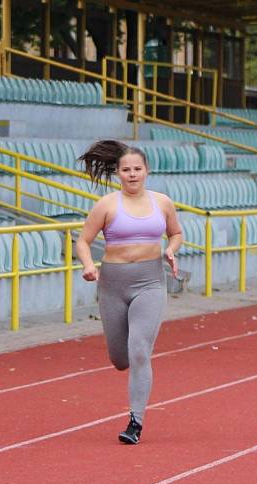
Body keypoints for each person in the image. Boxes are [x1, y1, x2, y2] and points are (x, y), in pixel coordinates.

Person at [75, 140, 183, 445]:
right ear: (118, 173)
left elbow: (175, 233)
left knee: (139, 351)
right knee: (120, 358)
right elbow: (83, 241)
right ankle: (127, 373)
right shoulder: (107, 205)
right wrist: (87, 265)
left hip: (150, 281)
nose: (132, 174)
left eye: (137, 169)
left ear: (147, 171)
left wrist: (171, 251)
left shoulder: (162, 202)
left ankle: (135, 421)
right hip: (112, 284)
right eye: (126, 170)